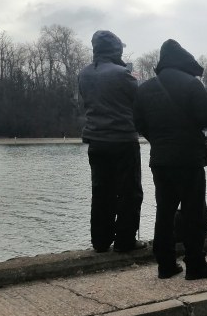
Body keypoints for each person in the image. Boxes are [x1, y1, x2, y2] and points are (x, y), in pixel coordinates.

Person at [133, 39, 207, 280]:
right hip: (188, 159)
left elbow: (138, 123)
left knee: (164, 211)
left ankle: (165, 264)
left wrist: (158, 139)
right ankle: (195, 264)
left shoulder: (144, 89)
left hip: (160, 159)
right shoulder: (191, 84)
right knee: (194, 212)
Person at [78, 30, 145, 253]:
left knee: (101, 192)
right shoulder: (123, 75)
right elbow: (138, 102)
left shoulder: (84, 74)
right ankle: (125, 242)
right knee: (130, 192)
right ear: (116, 50)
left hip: (96, 140)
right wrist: (130, 74)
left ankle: (100, 241)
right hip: (123, 140)